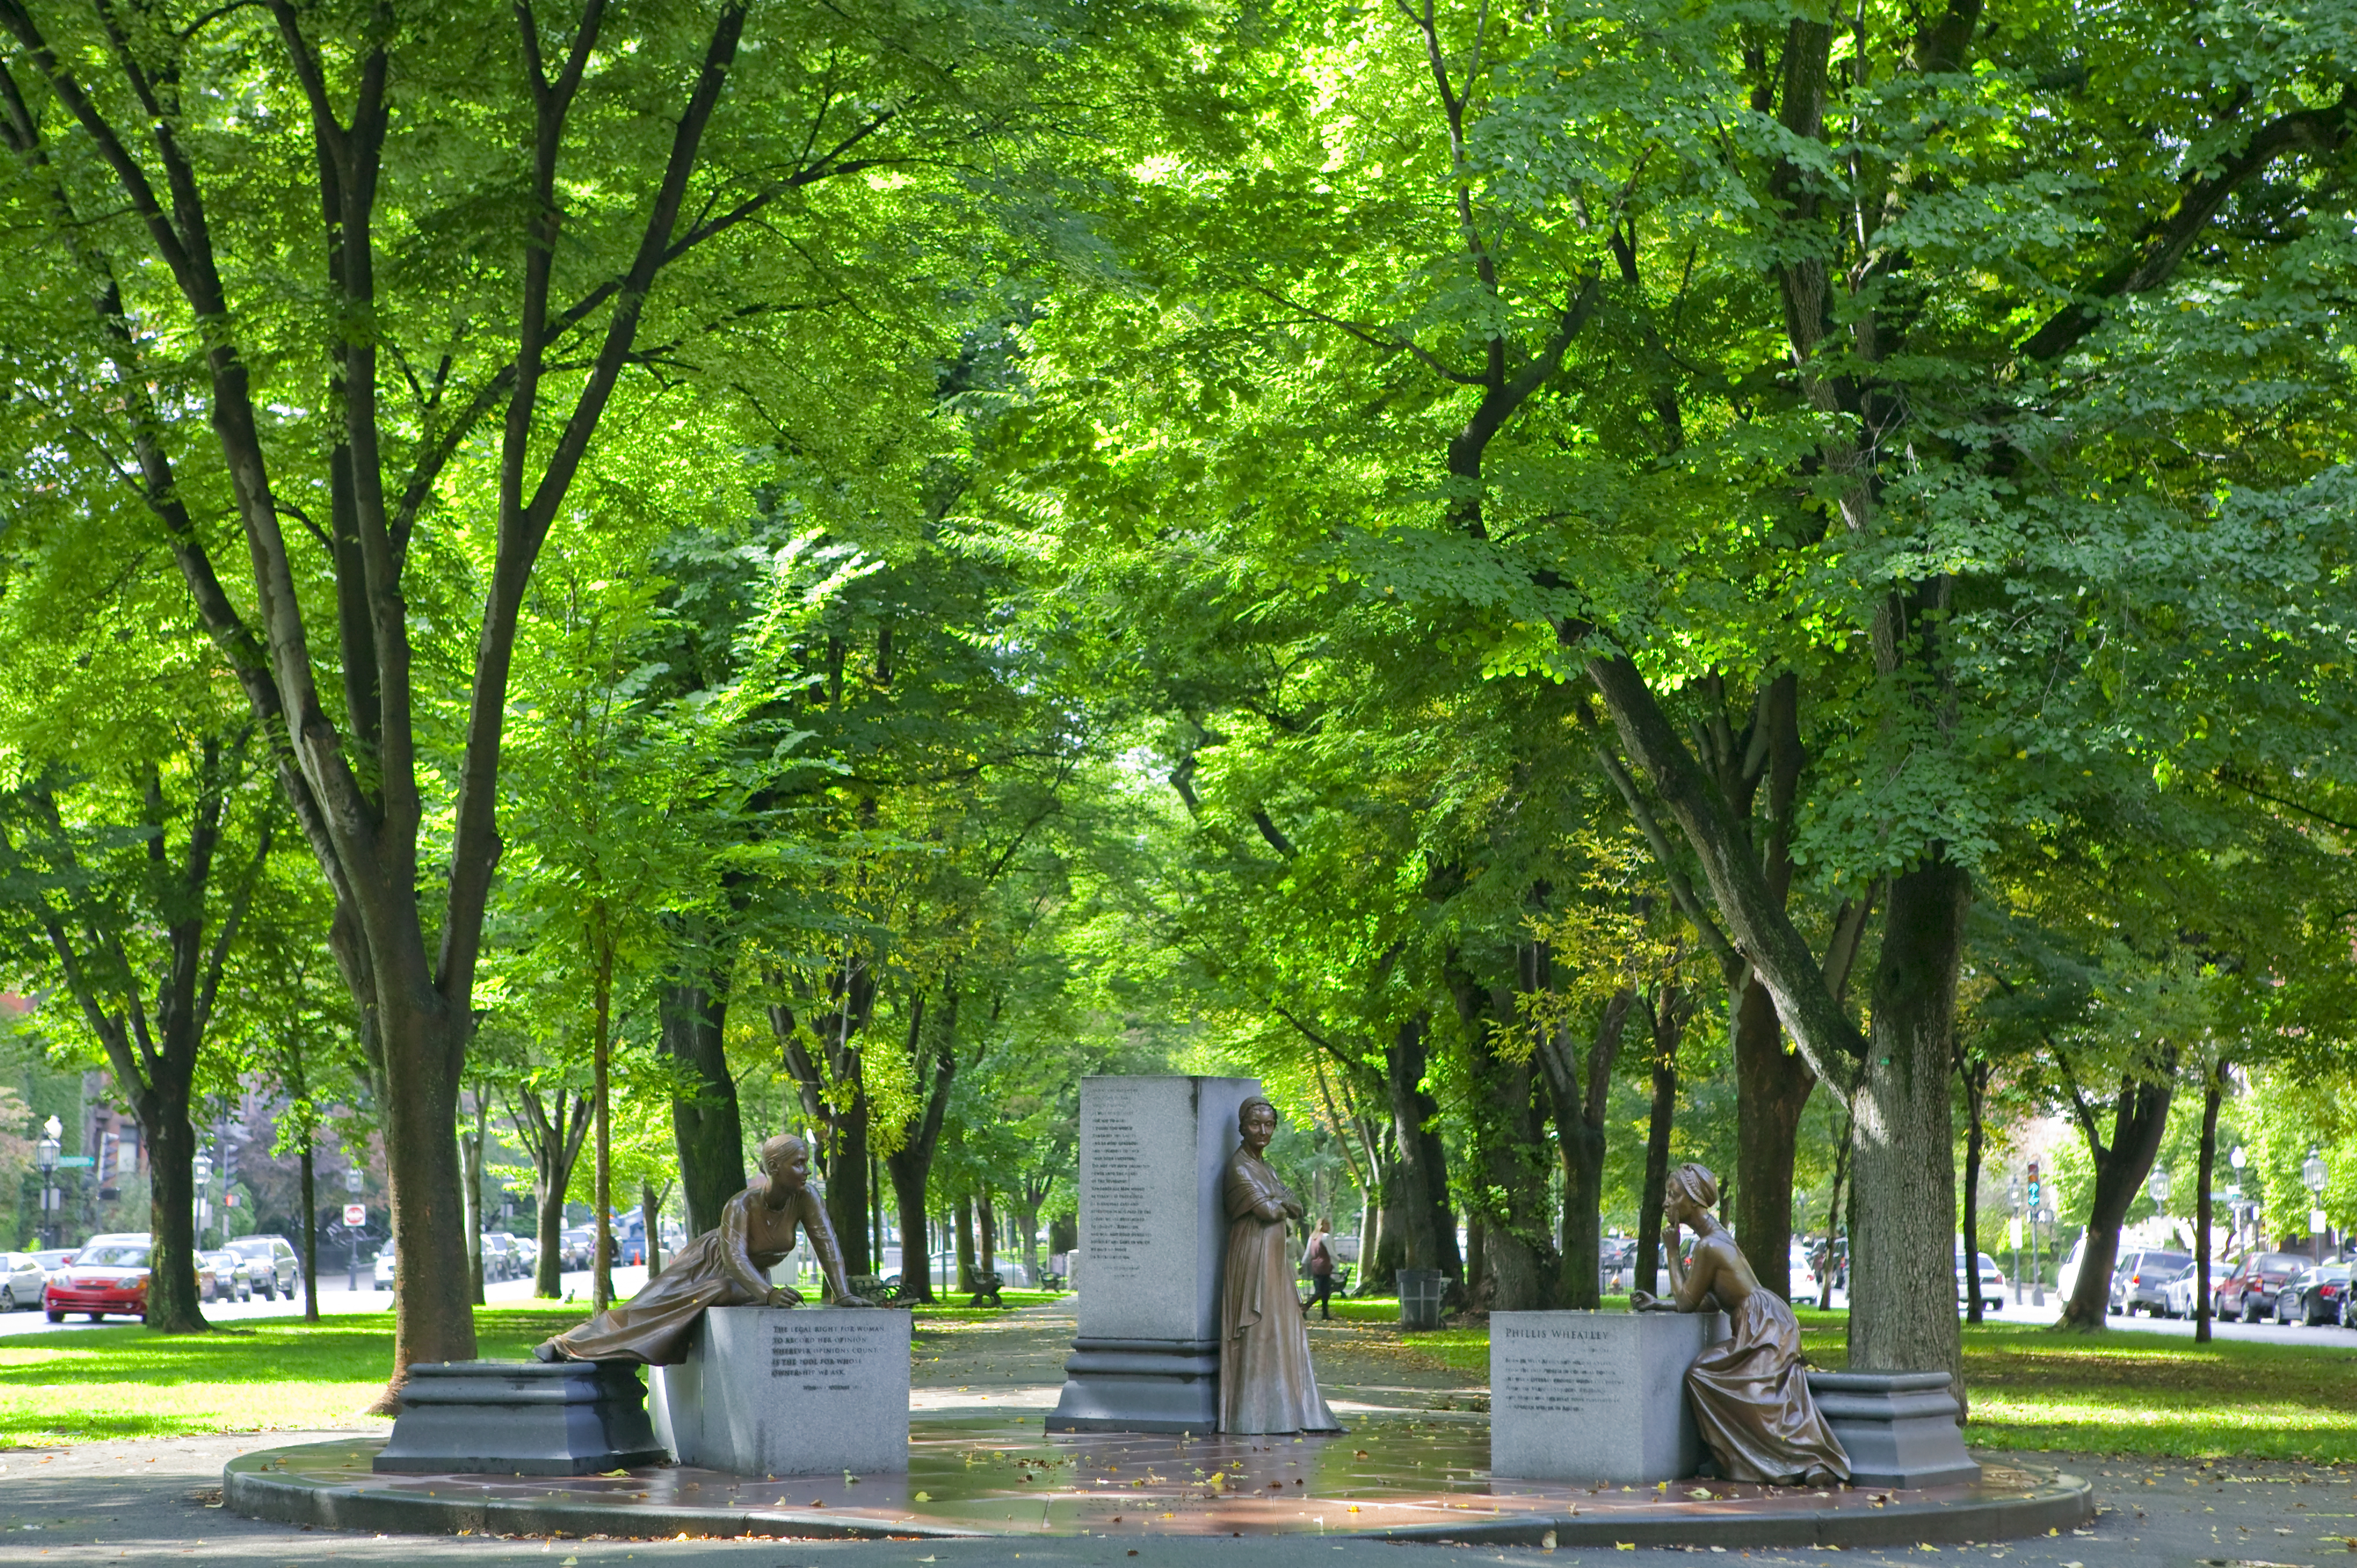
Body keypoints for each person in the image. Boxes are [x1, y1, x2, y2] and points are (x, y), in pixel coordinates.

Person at [535, 1133, 873, 1365]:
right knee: (641, 1311)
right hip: (704, 1265)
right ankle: (566, 1344)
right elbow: (735, 1258)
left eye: (806, 1163)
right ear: (773, 1169)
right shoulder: (740, 1205)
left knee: (726, 1290)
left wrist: (842, 1294)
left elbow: (826, 1242)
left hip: (746, 1281)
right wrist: (769, 1293)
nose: (807, 1170)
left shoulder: (807, 1197)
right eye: (798, 1164)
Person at [1633, 1162, 1848, 1486]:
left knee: (1708, 1377)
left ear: (1694, 1201)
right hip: (1764, 1320)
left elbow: (1687, 1303)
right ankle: (1757, 1460)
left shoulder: (1707, 1246)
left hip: (1765, 1325)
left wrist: (1673, 1253)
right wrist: (1658, 1303)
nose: (1666, 1202)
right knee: (1748, 1385)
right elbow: (1709, 1300)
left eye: (1673, 1195)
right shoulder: (1712, 1239)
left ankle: (1794, 1460)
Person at [1218, 1097, 1341, 1433]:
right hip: (1252, 1254)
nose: (1263, 1131)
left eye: (1269, 1124)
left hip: (1275, 1257)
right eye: (1256, 1124)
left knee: (1285, 1327)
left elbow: (1298, 1206)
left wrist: (1279, 1200)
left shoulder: (1267, 1169)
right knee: (1260, 1328)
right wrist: (1279, 1201)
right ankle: (1255, 1414)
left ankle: (1285, 1409)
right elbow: (1271, 1212)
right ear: (1242, 1127)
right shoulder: (1239, 1167)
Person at [1302, 1222, 1338, 1320]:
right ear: (1322, 1226)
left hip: (1315, 1266)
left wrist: (1303, 1263)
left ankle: (1325, 1313)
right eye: (1328, 1225)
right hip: (1324, 1266)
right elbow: (1331, 1252)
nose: (1330, 1227)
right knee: (1322, 1291)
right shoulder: (1325, 1237)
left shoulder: (1312, 1238)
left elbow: (1308, 1253)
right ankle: (1305, 1307)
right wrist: (1340, 1260)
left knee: (1325, 1291)